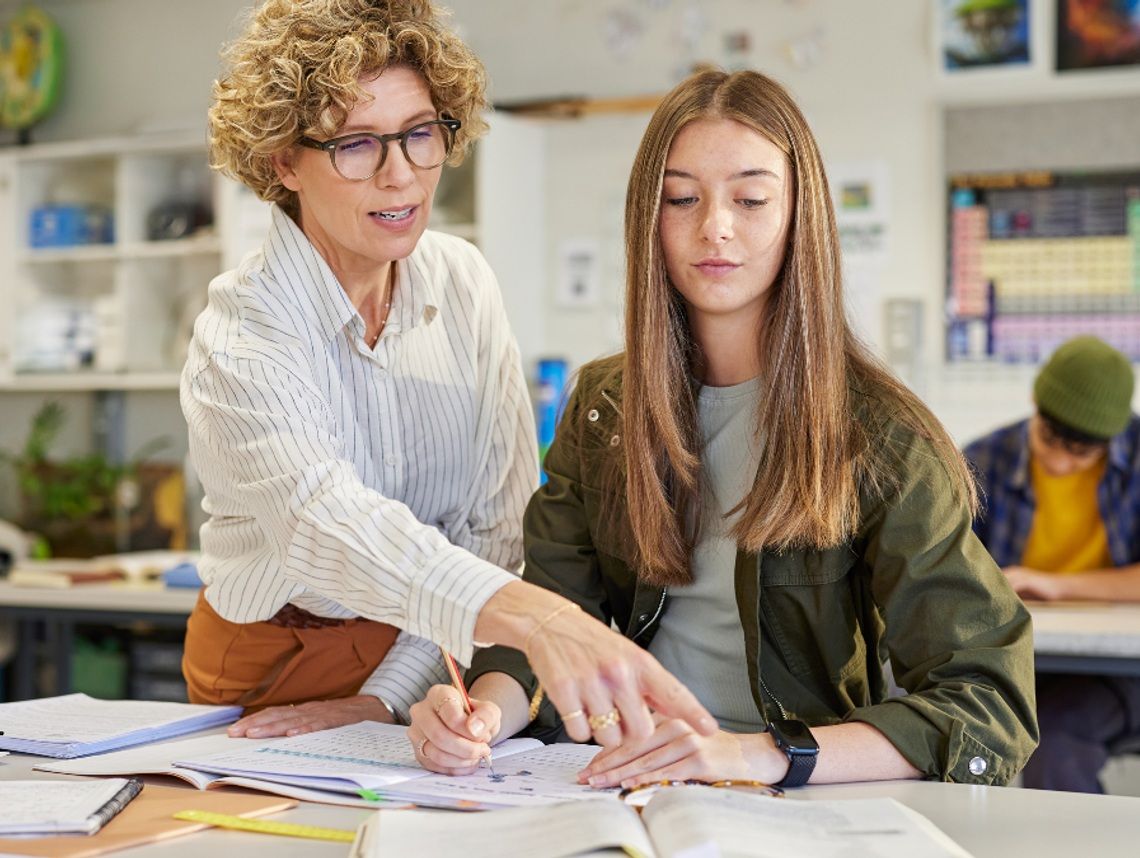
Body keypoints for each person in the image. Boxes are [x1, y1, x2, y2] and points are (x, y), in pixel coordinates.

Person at [405, 68, 1037, 789]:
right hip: (614, 781)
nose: (715, 227)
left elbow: (988, 704)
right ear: (649, 218)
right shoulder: (605, 410)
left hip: (792, 801)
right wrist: (482, 715)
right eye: (681, 198)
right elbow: (549, 622)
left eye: (751, 199)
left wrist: (757, 754)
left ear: (800, 215)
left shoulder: (882, 435)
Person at [181, 0, 714, 746]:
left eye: (419, 134)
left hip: (435, 649)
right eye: (356, 144)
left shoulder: (462, 283)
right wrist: (537, 617)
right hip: (275, 660)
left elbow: (494, 526)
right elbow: (323, 522)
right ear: (283, 161)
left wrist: (389, 697)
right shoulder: (243, 331)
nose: (401, 175)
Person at [965, 334, 1140, 793]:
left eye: (1081, 453)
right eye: (1049, 439)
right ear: (1035, 404)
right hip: (1015, 662)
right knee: (920, 713)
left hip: (1119, 670)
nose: (1060, 463)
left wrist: (1056, 585)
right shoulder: (981, 462)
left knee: (1057, 735)